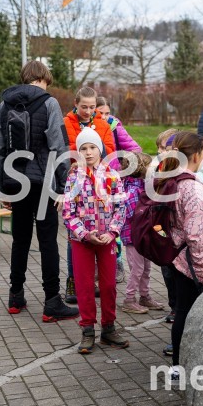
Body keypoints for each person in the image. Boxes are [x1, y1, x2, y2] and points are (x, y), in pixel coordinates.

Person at [0, 60, 77, 322]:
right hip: (43, 184)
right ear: (43, 79)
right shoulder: (49, 103)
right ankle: (52, 302)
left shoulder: (4, 104)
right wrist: (63, 187)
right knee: (47, 242)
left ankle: (15, 296)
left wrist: (3, 189)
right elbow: (59, 146)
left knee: (20, 241)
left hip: (16, 183)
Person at [63, 128, 129, 354]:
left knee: (109, 285)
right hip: (82, 240)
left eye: (92, 147)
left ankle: (108, 328)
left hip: (107, 239)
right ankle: (87, 329)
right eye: (83, 149)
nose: (89, 152)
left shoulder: (112, 176)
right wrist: (84, 233)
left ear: (100, 149)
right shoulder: (73, 177)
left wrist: (111, 232)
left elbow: (121, 208)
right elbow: (68, 212)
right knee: (84, 286)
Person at [158, 132, 203, 381]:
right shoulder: (192, 186)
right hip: (188, 259)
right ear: (197, 155)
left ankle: (177, 366)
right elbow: (194, 233)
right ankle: (184, 365)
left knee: (182, 309)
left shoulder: (172, 180)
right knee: (190, 311)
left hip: (173, 252)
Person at [63, 86, 116, 304]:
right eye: (84, 106)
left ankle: (96, 280)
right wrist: (84, 151)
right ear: (75, 103)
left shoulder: (102, 124)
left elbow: (111, 150)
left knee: (100, 229)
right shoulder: (67, 122)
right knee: (76, 231)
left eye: (92, 107)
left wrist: (96, 150)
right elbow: (67, 148)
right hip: (76, 179)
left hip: (100, 181)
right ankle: (73, 281)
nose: (88, 111)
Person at [95, 96, 141, 284]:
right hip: (95, 182)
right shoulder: (90, 128)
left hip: (113, 182)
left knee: (115, 225)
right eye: (101, 113)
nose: (105, 117)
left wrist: (122, 168)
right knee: (97, 225)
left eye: (107, 112)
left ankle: (117, 263)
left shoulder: (114, 126)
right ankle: (98, 268)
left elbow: (135, 148)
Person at [119, 152, 165, 314]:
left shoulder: (141, 186)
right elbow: (135, 215)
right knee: (137, 269)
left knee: (146, 268)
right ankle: (129, 300)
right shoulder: (132, 191)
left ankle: (144, 296)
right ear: (140, 169)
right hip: (133, 237)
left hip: (142, 236)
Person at [154, 128, 178, 328]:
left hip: (178, 231)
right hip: (161, 230)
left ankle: (182, 306)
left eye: (166, 148)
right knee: (167, 271)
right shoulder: (157, 170)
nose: (162, 152)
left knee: (181, 272)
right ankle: (174, 306)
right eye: (160, 148)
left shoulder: (180, 172)